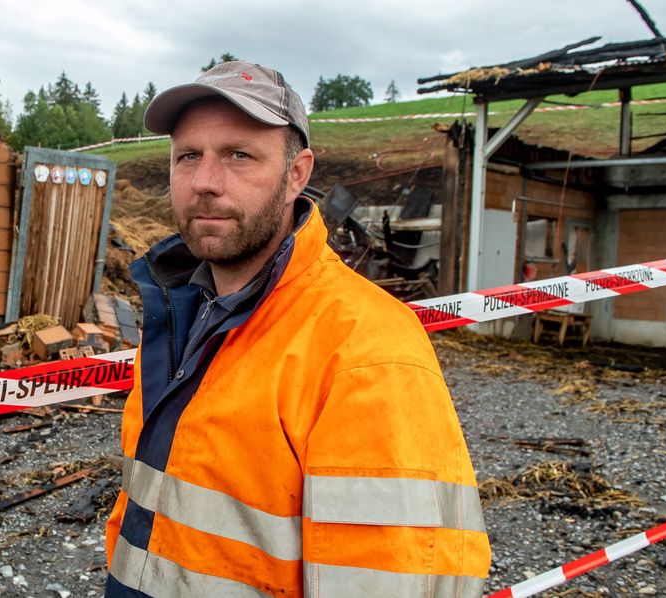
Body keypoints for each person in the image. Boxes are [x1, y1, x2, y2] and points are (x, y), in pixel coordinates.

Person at [104, 61, 491, 597]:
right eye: (188, 155)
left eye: (239, 155)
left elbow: (390, 579)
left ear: (297, 174)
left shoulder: (369, 352)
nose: (205, 183)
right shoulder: (178, 315)